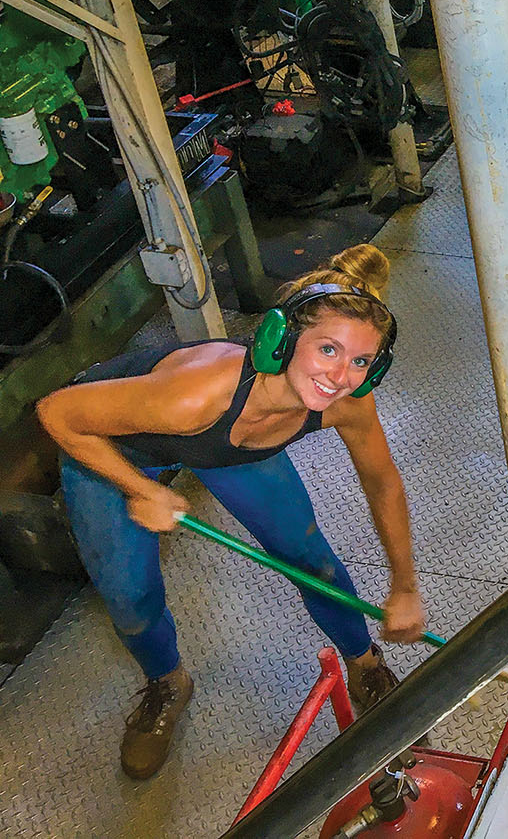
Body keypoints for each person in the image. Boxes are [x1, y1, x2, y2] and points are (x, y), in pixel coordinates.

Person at [36, 244, 426, 780]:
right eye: (328, 350)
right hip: (113, 446)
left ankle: (364, 664)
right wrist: (135, 487)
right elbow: (55, 411)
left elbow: (383, 484)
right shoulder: (194, 394)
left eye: (360, 361)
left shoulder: (346, 403)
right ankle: (167, 683)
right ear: (280, 341)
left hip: (229, 446)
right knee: (130, 595)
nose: (340, 376)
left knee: (310, 559)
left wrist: (404, 586)